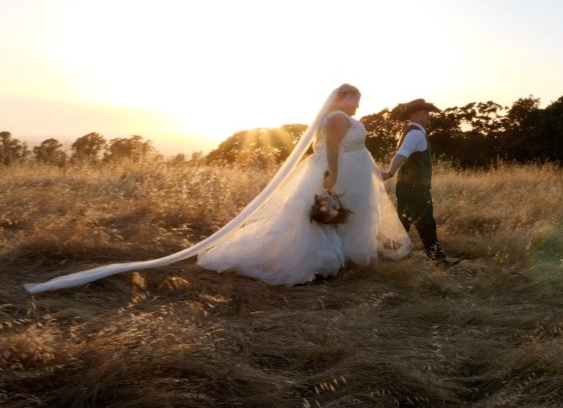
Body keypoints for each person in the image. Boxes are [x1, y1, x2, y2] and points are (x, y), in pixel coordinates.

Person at [25, 84, 411, 293]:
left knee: (344, 219)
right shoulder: (337, 117)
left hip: (357, 172)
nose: (359, 107)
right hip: (339, 173)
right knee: (322, 219)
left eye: (358, 102)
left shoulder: (343, 118)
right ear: (343, 98)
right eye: (355, 100)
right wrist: (331, 178)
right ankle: (320, 264)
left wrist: (372, 172)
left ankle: (340, 262)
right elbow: (329, 150)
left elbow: (355, 147)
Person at [382, 98, 455, 265]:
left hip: (407, 186)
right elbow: (402, 153)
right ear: (415, 115)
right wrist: (390, 173)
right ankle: (439, 261)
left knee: (404, 225)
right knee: (426, 224)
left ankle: (389, 257)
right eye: (425, 113)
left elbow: (403, 153)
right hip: (415, 188)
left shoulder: (410, 132)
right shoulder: (415, 134)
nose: (428, 116)